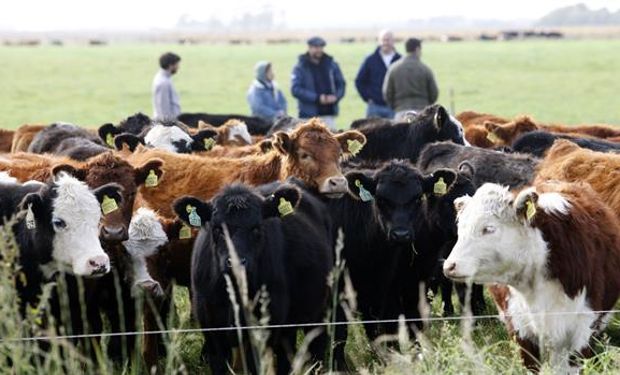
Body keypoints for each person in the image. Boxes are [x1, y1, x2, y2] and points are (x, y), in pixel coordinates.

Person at [291, 36, 345, 130]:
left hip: (328, 115)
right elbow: (295, 89)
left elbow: (341, 84)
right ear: (309, 48)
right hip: (307, 117)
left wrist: (336, 97)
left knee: (331, 143)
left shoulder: (332, 64)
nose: (318, 50)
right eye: (315, 47)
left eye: (320, 47)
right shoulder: (300, 66)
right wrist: (317, 98)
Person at [382, 38, 439, 121]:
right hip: (422, 113)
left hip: (401, 113)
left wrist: (396, 107)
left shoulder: (393, 68)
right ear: (417, 49)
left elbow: (387, 93)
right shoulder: (425, 69)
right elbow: (434, 93)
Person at [355, 30, 401, 119]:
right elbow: (359, 81)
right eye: (383, 40)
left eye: (388, 40)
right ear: (379, 41)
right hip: (374, 107)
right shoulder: (370, 59)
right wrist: (367, 98)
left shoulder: (400, 60)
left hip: (394, 107)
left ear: (393, 41)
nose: (385, 43)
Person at [152, 52, 181, 119]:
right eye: (177, 64)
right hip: (167, 124)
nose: (178, 67)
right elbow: (163, 109)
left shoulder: (165, 78)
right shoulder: (163, 82)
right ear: (170, 65)